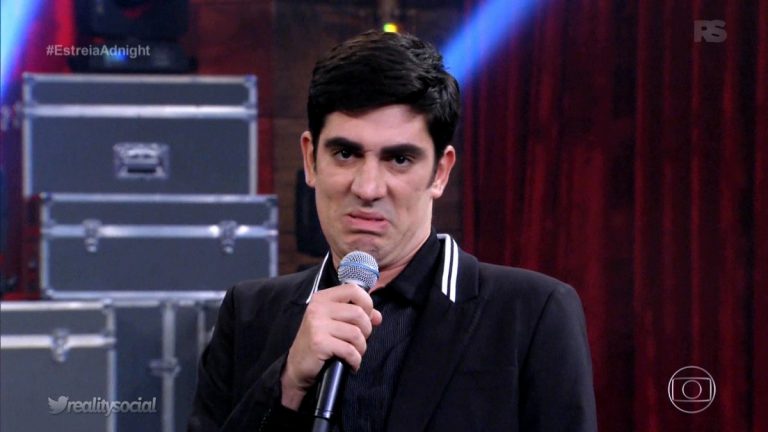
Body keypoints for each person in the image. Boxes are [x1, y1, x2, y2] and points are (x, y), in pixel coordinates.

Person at [188, 30, 596, 432]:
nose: (368, 188)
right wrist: (288, 384)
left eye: (399, 159)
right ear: (311, 160)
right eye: (345, 153)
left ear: (440, 172)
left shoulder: (531, 313)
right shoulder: (250, 314)